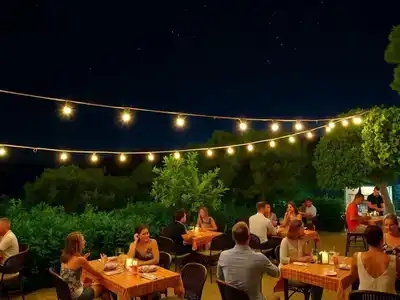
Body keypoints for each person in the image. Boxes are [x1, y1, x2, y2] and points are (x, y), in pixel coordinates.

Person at [217, 221, 280, 300]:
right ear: (249, 237)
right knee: (276, 297)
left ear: (233, 238)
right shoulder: (259, 258)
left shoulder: (223, 255)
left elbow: (220, 279)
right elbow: (276, 273)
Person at [279, 220, 323, 300]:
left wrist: (309, 257)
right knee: (316, 281)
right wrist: (301, 259)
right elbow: (283, 259)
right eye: (302, 227)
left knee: (319, 280)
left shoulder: (301, 239)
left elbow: (307, 254)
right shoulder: (285, 241)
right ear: (296, 229)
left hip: (301, 269)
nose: (304, 229)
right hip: (289, 273)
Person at [60, 232, 110, 300]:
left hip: (68, 293)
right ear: (77, 244)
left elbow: (73, 271)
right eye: (83, 240)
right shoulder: (80, 260)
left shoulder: (65, 257)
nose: (85, 241)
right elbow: (97, 273)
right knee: (104, 286)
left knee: (91, 282)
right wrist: (103, 262)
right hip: (77, 296)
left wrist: (83, 259)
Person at [351, 225, 399, 294]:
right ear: (382, 240)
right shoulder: (394, 260)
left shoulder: (357, 257)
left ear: (366, 240)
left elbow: (353, 276)